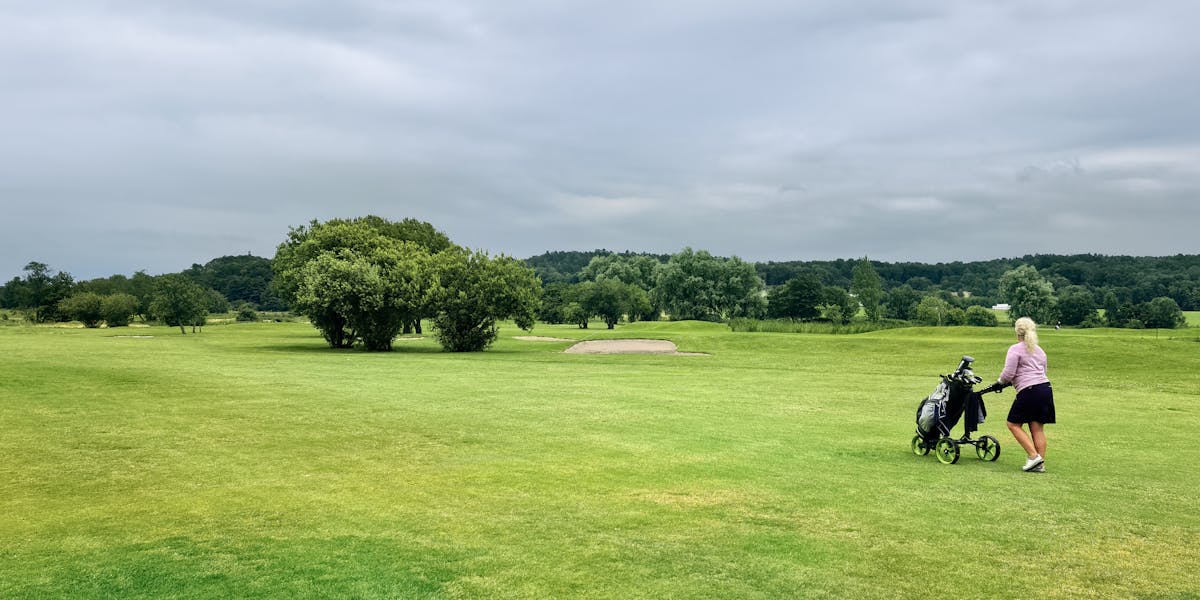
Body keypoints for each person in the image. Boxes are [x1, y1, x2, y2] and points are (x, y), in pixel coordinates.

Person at [996, 317, 1055, 472]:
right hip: (1045, 388)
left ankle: (1034, 456)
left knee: (1013, 424)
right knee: (1037, 428)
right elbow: (1043, 371)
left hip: (1030, 391)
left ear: (1017, 333)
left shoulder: (1015, 349)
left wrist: (999, 382)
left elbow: (1008, 374)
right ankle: (1039, 464)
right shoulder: (1040, 350)